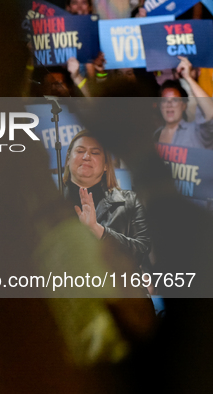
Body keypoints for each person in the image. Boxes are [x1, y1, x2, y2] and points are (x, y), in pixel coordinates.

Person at [63, 130, 151, 271]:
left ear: (105, 165)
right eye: (80, 151)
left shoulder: (131, 201)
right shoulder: (49, 203)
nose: (86, 157)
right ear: (68, 159)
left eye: (95, 152)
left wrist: (98, 230)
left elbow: (140, 252)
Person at [155, 56, 213, 149]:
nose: (169, 105)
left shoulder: (196, 132)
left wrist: (188, 77)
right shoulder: (154, 136)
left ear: (184, 105)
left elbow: (211, 114)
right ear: (160, 106)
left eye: (175, 100)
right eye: (165, 101)